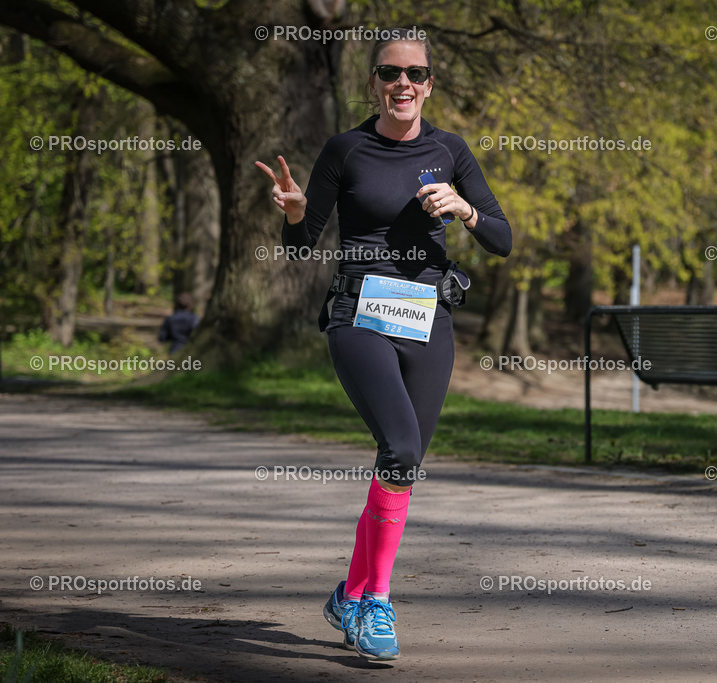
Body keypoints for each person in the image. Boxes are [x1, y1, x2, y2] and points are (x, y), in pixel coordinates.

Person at [256, 28, 511, 661]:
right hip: (360, 312)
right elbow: (299, 246)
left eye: (416, 74)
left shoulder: (450, 150)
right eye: (391, 73)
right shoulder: (347, 149)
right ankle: (377, 603)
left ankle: (350, 592)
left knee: (401, 467)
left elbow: (503, 238)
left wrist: (465, 209)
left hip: (428, 318)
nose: (404, 84)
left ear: (430, 84)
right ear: (373, 82)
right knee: (397, 445)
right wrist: (293, 213)